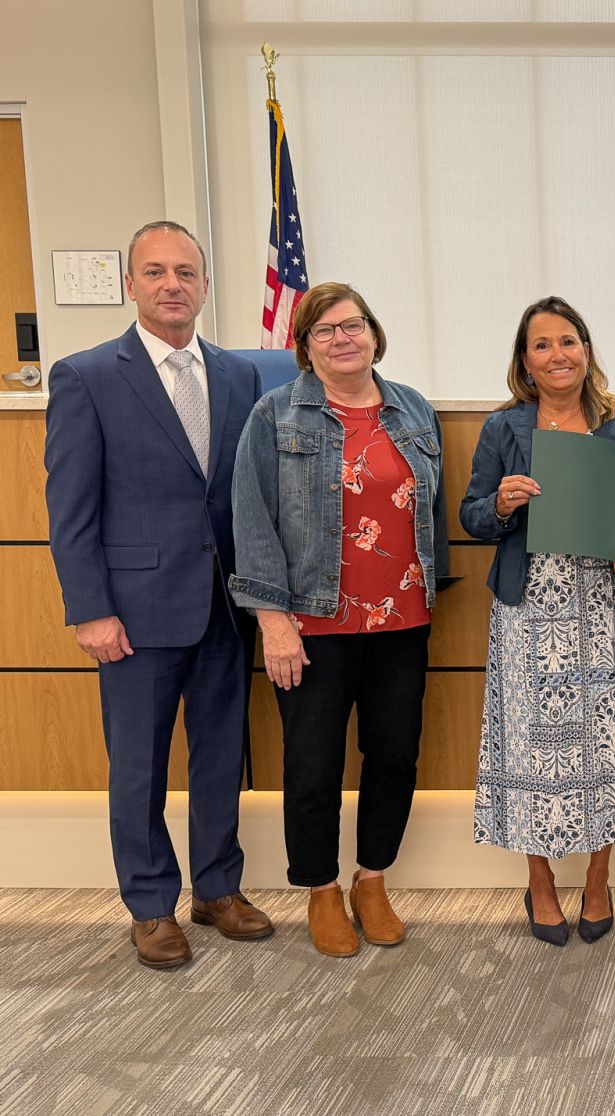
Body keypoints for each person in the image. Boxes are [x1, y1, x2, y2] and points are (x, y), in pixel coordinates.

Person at [43, 220, 271, 969]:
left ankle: (216, 889)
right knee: (138, 766)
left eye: (185, 272)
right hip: (133, 615)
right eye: (155, 272)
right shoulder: (88, 376)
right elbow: (70, 508)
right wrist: (89, 611)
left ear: (204, 287)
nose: (172, 284)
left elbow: (241, 494)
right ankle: (149, 904)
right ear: (132, 285)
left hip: (224, 607)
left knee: (218, 758)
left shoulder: (239, 376)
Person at [230, 282, 449, 958]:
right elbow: (252, 517)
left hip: (403, 621)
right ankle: (322, 890)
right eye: (324, 330)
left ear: (375, 333)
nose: (342, 338)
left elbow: (429, 511)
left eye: (353, 325)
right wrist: (273, 621)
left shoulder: (411, 408)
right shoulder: (275, 416)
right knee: (314, 765)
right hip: (312, 626)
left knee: (393, 757)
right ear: (304, 347)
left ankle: (371, 880)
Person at [461, 296, 615, 947]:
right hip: (529, 610)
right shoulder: (504, 430)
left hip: (606, 608)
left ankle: (600, 880)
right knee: (531, 749)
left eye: (569, 341)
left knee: (608, 744)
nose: (558, 355)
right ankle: (542, 883)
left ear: (587, 350)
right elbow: (471, 516)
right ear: (525, 361)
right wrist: (498, 502)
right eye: (543, 344)